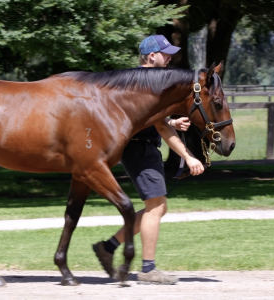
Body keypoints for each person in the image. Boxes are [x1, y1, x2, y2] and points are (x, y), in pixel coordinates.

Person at [92, 35, 205, 285]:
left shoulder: (137, 81)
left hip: (142, 148)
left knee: (159, 207)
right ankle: (148, 269)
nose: (169, 59)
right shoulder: (147, 84)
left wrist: (172, 122)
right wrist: (188, 156)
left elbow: (150, 121)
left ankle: (108, 247)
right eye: (165, 54)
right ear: (151, 56)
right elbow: (159, 128)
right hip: (140, 151)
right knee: (156, 207)